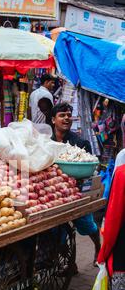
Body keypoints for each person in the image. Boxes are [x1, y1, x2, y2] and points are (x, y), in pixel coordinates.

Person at [51, 102, 101, 266]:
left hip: (77, 190)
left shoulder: (80, 142)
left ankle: (98, 247)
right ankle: (70, 264)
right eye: (61, 115)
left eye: (68, 115)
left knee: (86, 224)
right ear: (53, 120)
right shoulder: (48, 142)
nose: (66, 118)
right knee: (56, 230)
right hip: (56, 190)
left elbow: (91, 166)